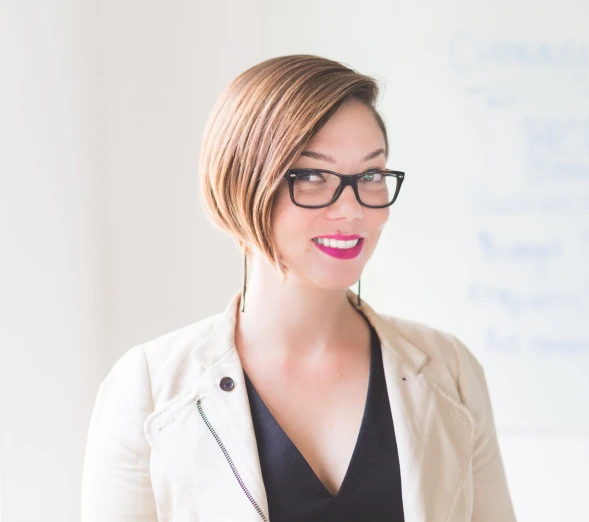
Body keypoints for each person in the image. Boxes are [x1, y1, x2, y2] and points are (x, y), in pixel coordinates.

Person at [81, 54, 516, 522]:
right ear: (241, 184)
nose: (352, 210)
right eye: (310, 175)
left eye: (370, 175)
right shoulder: (149, 386)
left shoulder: (450, 370)